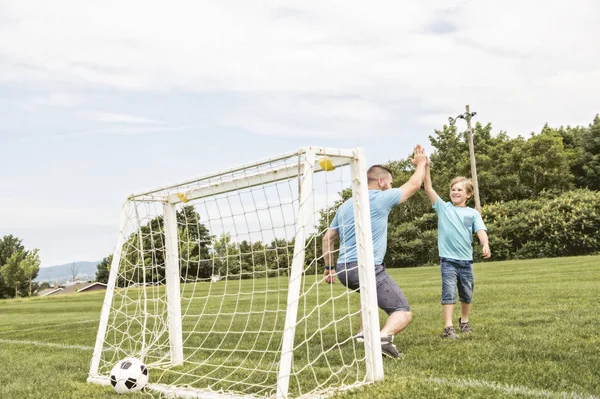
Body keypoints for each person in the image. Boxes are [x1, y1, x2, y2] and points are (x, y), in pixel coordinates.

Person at [322, 144, 428, 359]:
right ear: (380, 182)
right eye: (389, 184)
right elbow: (415, 184)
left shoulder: (345, 205)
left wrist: (329, 268)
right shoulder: (380, 198)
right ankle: (383, 338)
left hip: (343, 270)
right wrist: (422, 163)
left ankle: (364, 334)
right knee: (403, 312)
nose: (390, 187)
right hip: (366, 267)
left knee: (367, 297)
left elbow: (327, 238)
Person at [423, 158, 491, 339]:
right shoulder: (444, 208)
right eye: (453, 189)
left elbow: (480, 230)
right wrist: (427, 167)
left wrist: (485, 244)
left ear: (468, 194)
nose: (455, 192)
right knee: (449, 292)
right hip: (448, 261)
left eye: (459, 189)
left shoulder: (472, 213)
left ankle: (464, 321)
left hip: (466, 261)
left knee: (467, 294)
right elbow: (428, 188)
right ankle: (448, 327)